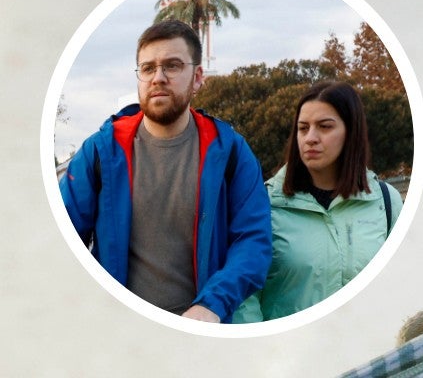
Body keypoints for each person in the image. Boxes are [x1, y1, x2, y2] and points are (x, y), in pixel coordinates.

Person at [59, 19, 271, 323]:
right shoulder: (101, 151)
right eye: (147, 68)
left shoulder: (231, 152)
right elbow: (61, 236)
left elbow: (253, 241)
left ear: (197, 77)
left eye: (172, 66)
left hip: (203, 329)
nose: (158, 78)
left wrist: (212, 304)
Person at [233, 81, 403, 322]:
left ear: (351, 132)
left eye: (324, 127)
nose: (310, 138)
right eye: (303, 128)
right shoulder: (262, 205)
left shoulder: (386, 203)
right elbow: (244, 299)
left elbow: (403, 283)